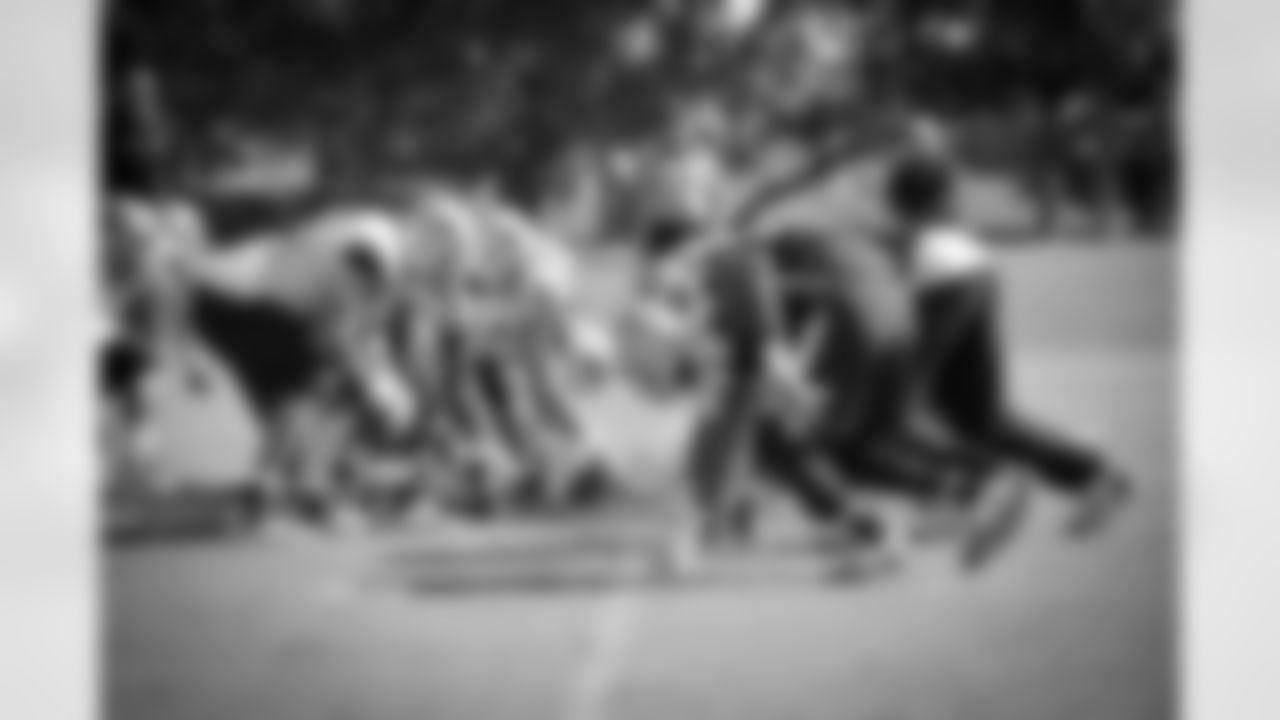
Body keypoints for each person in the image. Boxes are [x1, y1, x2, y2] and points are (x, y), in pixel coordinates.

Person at [883, 156, 1132, 538]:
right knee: (980, 414)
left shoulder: (913, 226)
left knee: (908, 406)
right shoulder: (940, 222)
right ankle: (1092, 475)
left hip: (946, 286)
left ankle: (972, 493)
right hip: (976, 274)